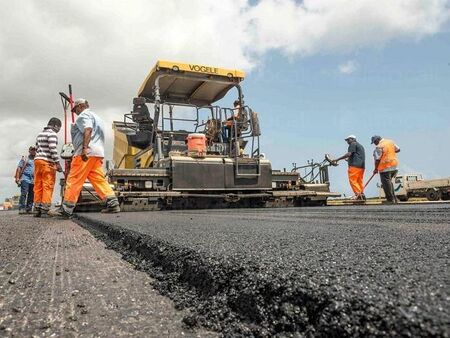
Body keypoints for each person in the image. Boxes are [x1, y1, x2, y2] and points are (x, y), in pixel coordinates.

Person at [49, 98, 120, 218]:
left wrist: (84, 148)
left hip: (85, 154)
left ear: (80, 106)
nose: (75, 112)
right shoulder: (98, 118)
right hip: (97, 153)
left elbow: (88, 129)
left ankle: (66, 209)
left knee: (74, 179)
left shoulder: (83, 116)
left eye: (75, 109)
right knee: (98, 179)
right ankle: (112, 203)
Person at [34, 118, 63, 217]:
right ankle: (45, 209)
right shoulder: (52, 134)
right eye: (59, 127)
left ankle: (37, 209)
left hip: (37, 161)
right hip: (47, 162)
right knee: (48, 184)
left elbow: (37, 148)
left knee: (38, 185)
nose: (59, 130)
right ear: (55, 126)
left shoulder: (40, 134)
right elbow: (52, 149)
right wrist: (57, 163)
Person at [331, 135, 366, 200]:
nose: (347, 141)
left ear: (353, 139)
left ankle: (358, 195)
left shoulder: (353, 144)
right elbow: (357, 156)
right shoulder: (360, 146)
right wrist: (349, 159)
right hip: (361, 167)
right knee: (359, 181)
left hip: (354, 166)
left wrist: (337, 159)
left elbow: (349, 154)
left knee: (353, 181)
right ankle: (362, 195)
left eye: (348, 140)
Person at [371, 135, 401, 204]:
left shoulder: (379, 146)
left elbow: (377, 159)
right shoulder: (391, 142)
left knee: (386, 184)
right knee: (389, 183)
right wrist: (388, 152)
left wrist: (375, 169)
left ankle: (390, 200)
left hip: (385, 167)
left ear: (378, 140)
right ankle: (395, 199)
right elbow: (398, 149)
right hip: (394, 166)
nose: (375, 144)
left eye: (374, 142)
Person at [15, 146, 36, 214]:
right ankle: (21, 208)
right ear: (29, 151)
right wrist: (18, 178)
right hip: (25, 178)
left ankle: (29, 208)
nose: (33, 151)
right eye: (32, 150)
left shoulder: (37, 159)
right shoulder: (25, 158)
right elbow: (19, 168)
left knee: (31, 194)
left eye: (35, 150)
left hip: (33, 179)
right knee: (24, 193)